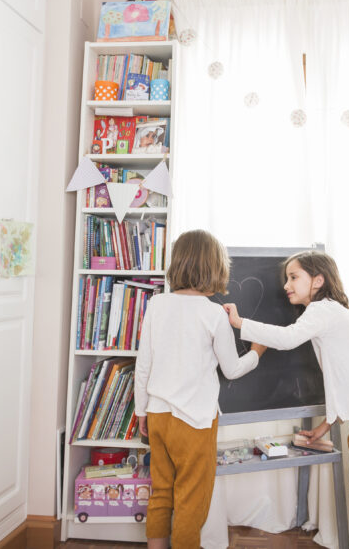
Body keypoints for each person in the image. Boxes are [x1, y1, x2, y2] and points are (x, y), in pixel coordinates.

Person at [225, 251, 349, 549]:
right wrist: (326, 427)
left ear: (318, 279)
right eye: (286, 279)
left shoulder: (321, 310)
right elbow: (345, 377)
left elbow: (288, 339)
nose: (286, 285)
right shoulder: (332, 312)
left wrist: (239, 323)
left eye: (293, 277)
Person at [134, 229, 266, 549]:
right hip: (194, 421)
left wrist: (141, 412)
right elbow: (232, 369)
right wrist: (257, 352)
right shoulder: (213, 314)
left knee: (162, 490)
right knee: (192, 499)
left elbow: (143, 366)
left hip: (159, 414)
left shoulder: (157, 304)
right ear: (215, 268)